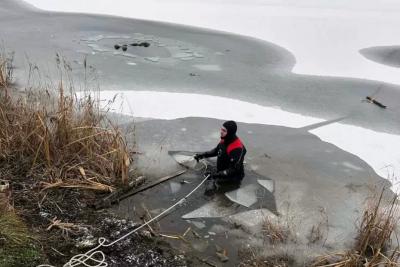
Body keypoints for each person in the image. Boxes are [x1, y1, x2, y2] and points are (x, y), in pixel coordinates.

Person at [194, 120, 247, 195]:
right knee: (206, 175)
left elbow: (233, 170)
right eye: (221, 129)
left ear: (230, 133)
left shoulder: (236, 148)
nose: (221, 131)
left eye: (224, 130)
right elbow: (216, 151)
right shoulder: (225, 139)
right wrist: (203, 155)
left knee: (209, 191)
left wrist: (216, 175)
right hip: (221, 171)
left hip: (232, 177)